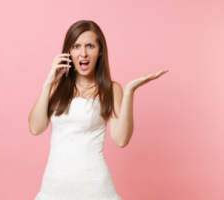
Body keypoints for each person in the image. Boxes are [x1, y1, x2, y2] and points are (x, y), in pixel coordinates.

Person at [28, 19, 168, 200]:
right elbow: (35, 128)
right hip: (54, 187)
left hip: (95, 188)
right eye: (76, 46)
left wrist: (129, 93)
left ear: (100, 51)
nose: (83, 53)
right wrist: (48, 82)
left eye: (90, 46)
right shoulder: (56, 88)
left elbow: (121, 139)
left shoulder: (110, 89)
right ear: (68, 52)